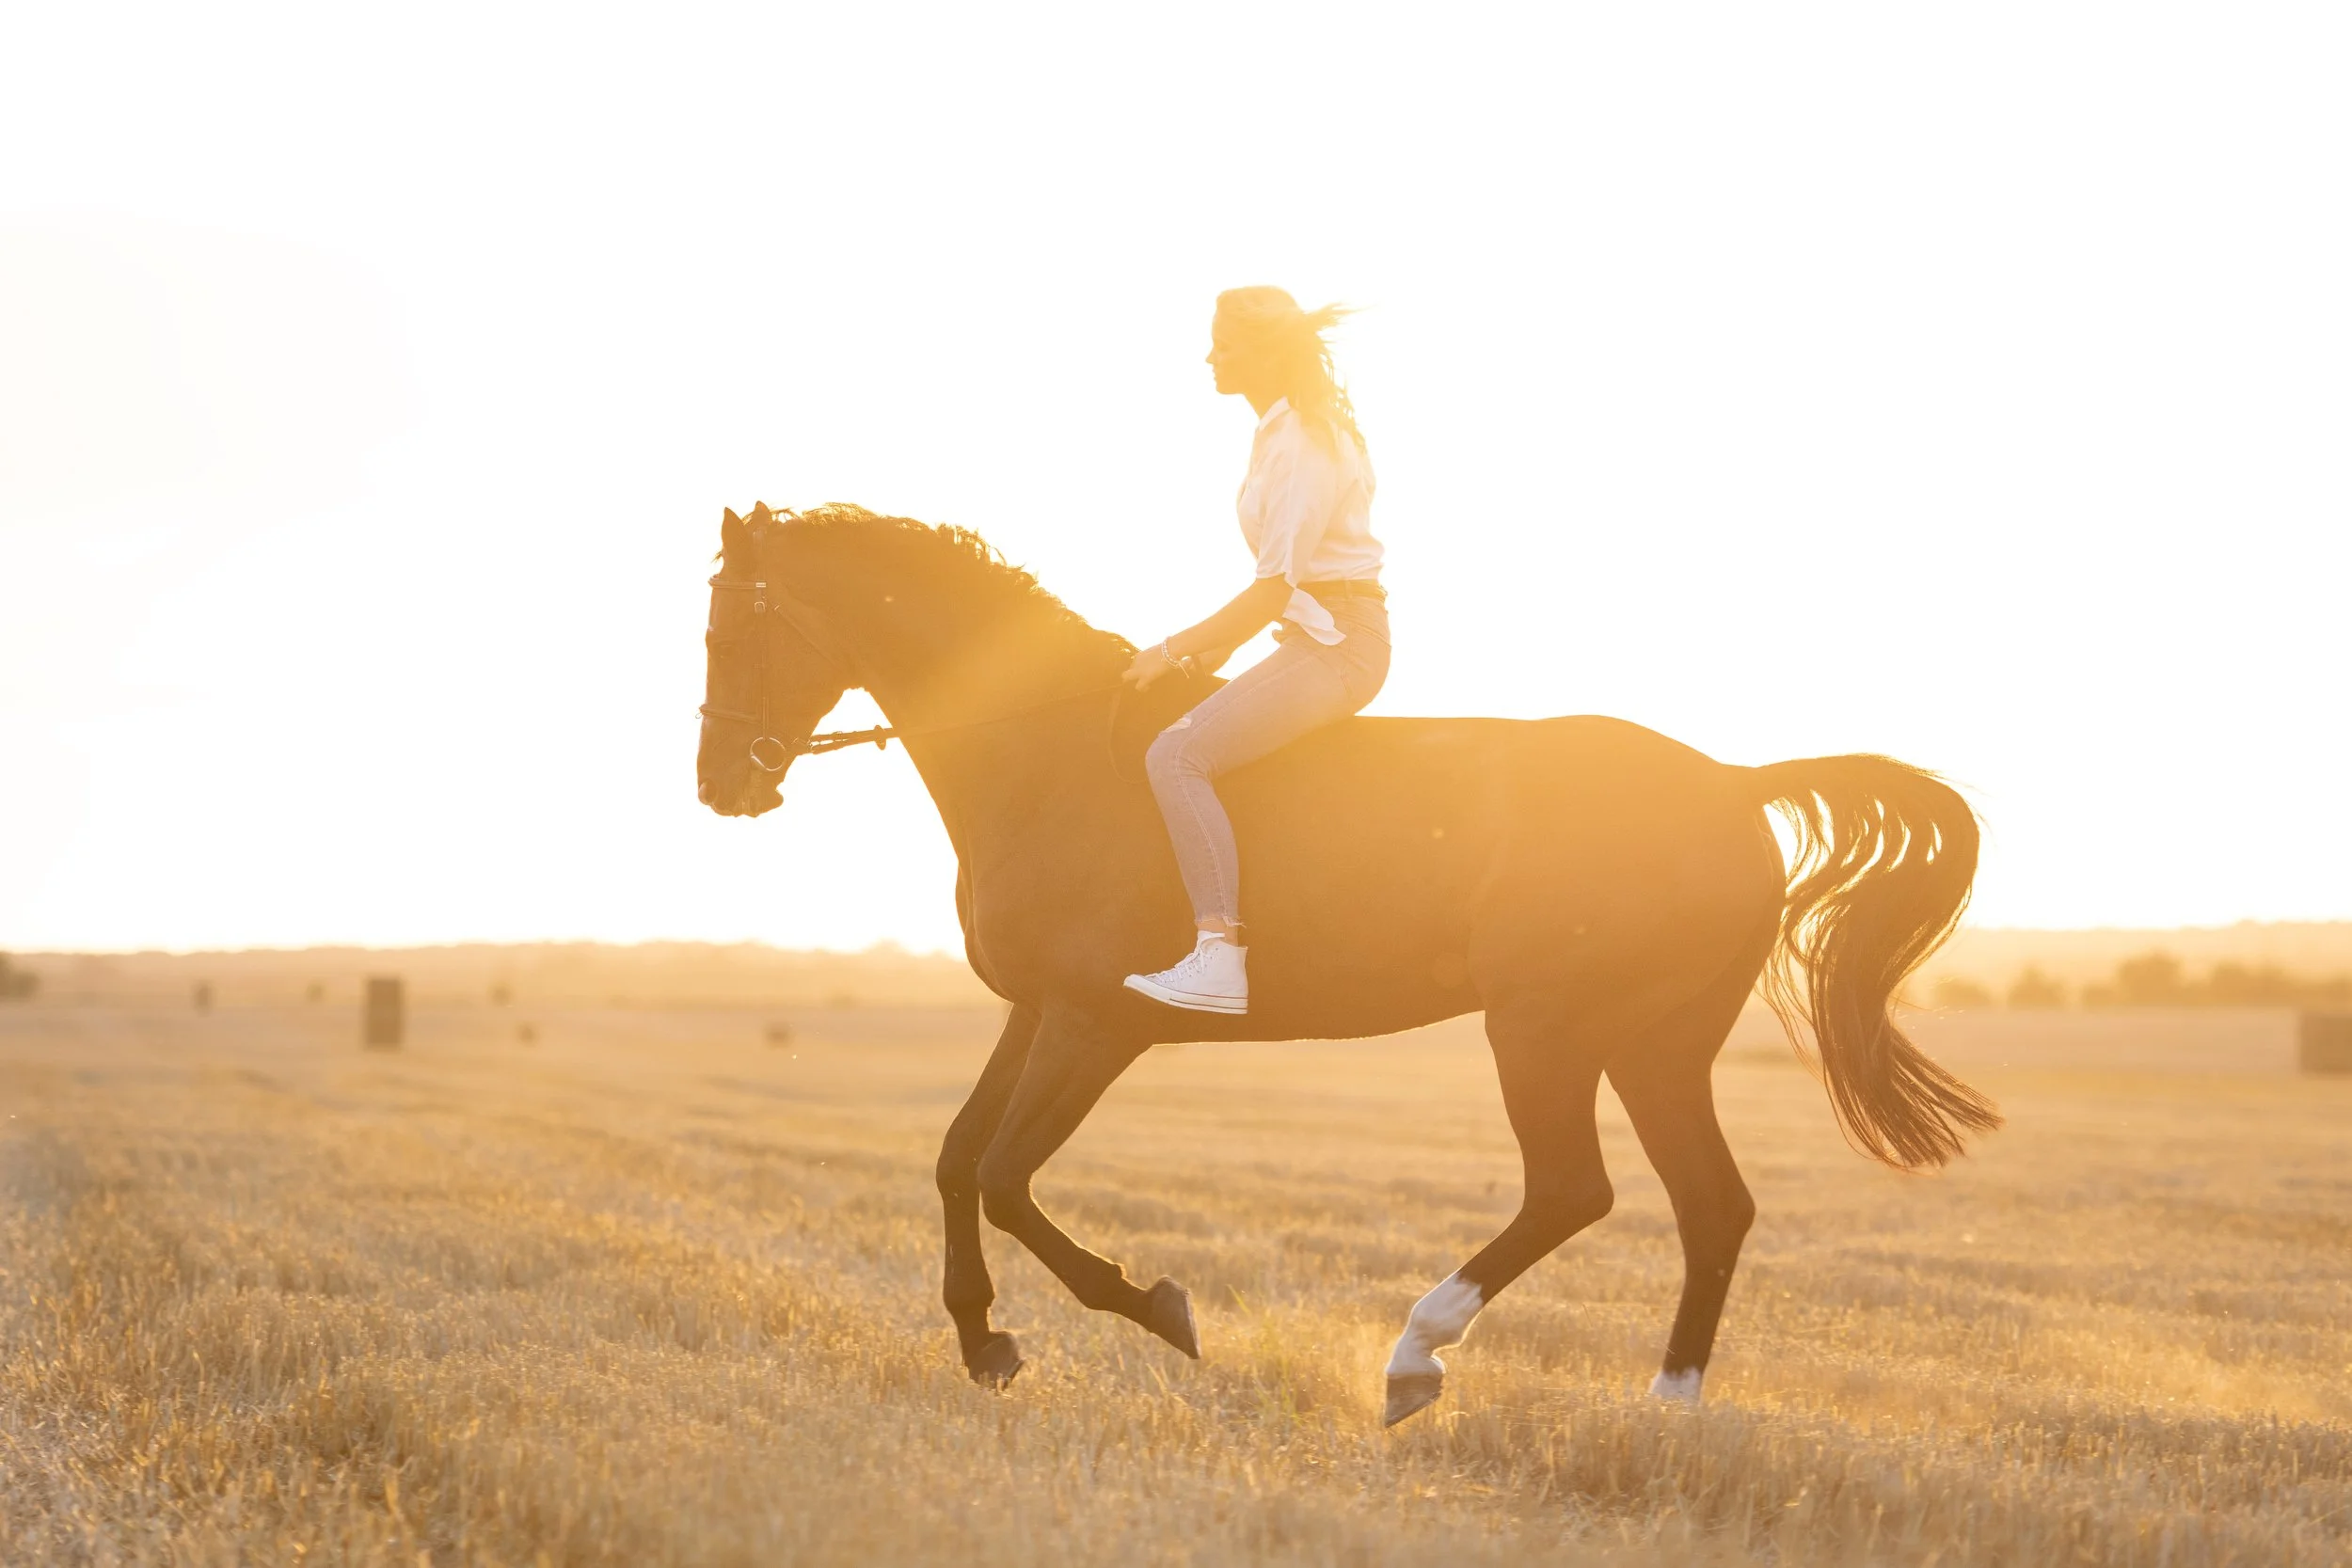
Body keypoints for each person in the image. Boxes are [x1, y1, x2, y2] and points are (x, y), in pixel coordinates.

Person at [1120, 287, 1389, 1015]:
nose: (1210, 356)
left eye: (1225, 345)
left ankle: (1218, 956)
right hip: (1315, 633)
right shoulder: (1279, 432)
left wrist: (1175, 647)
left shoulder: (1302, 441)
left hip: (1341, 645)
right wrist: (1205, 656)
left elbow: (1273, 587)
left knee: (1175, 755)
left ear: (1266, 354)